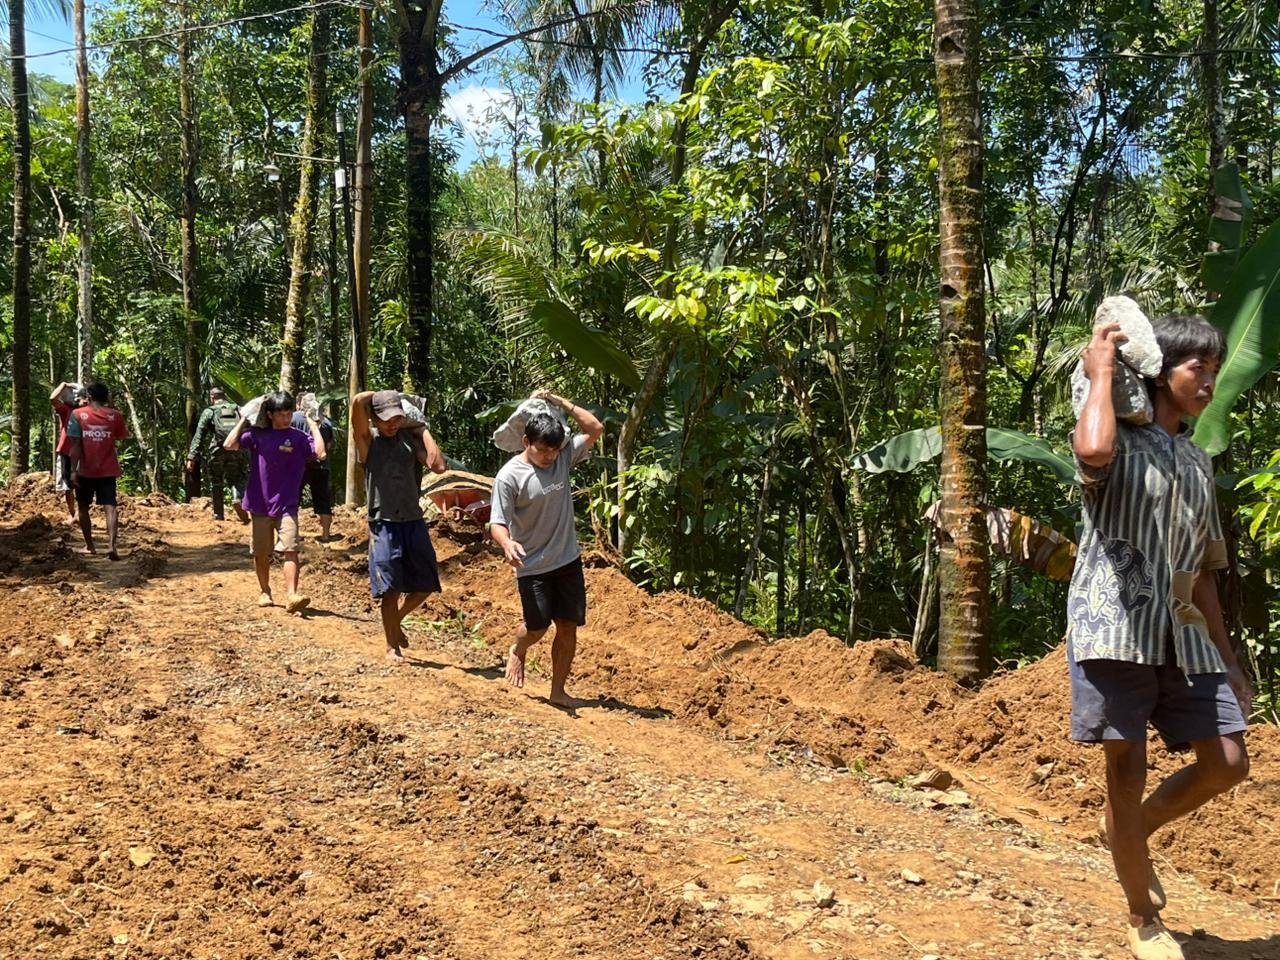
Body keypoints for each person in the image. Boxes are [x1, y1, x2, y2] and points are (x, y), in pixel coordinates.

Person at [1069, 314, 1251, 960]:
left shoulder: (1198, 462)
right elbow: (1091, 454)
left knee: (1228, 761)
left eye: (1212, 367)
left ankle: (1129, 833)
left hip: (1181, 630)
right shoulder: (1118, 438)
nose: (1207, 379)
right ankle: (1142, 917)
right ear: (1161, 373)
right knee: (1126, 767)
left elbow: (1202, 572)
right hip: (1113, 625)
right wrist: (1099, 375)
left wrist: (1230, 663)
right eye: (1193, 367)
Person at [490, 390, 603, 707]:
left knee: (568, 625)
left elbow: (595, 428)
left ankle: (558, 691)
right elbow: (496, 522)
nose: (549, 457)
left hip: (567, 560)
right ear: (526, 442)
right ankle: (519, 647)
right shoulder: (509, 477)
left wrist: (561, 402)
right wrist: (507, 542)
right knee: (538, 627)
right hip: (533, 566)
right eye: (542, 450)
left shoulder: (563, 456)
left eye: (554, 450)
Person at [351, 390, 446, 660]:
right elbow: (357, 402)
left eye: (396, 418)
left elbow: (437, 466)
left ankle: (397, 620)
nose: (391, 424)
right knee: (390, 589)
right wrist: (385, 394)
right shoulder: (369, 441)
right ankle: (391, 645)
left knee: (426, 584)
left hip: (413, 520)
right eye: (385, 419)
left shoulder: (407, 439)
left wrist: (422, 429)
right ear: (374, 419)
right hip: (384, 523)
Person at [224, 391, 326, 613]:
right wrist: (245, 417)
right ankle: (264, 591)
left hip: (287, 504)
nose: (285, 418)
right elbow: (229, 444)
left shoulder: (298, 438)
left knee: (290, 549)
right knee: (261, 552)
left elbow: (320, 452)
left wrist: (312, 423)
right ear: (270, 414)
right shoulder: (257, 436)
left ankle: (292, 595)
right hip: (259, 504)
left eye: (289, 413)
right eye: (280, 414)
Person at [66, 382, 129, 560]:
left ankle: (90, 546)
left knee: (83, 506)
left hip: (86, 470)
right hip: (108, 469)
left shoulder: (77, 415)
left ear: (89, 397)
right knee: (110, 506)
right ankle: (112, 546)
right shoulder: (115, 415)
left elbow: (76, 446)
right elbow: (121, 436)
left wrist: (73, 470)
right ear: (106, 397)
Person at [186, 387, 249, 522]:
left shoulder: (210, 411)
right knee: (237, 478)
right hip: (236, 448)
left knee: (216, 481)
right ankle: (238, 498)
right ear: (224, 396)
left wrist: (192, 456)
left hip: (217, 450)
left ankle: (218, 514)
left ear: (212, 397)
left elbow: (199, 434)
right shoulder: (237, 409)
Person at [292, 403, 336, 541]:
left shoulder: (293, 418)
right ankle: (326, 534)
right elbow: (329, 444)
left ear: (299, 405)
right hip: (321, 466)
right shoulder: (326, 421)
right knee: (323, 500)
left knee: (293, 500)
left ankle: (294, 534)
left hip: (298, 466)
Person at [50, 381, 88, 525]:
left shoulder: (90, 411)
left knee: (82, 484)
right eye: (80, 399)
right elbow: (53, 399)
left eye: (84, 399)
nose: (82, 401)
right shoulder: (66, 410)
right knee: (68, 486)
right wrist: (63, 385)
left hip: (84, 453)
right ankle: (72, 514)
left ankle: (80, 513)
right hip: (66, 451)